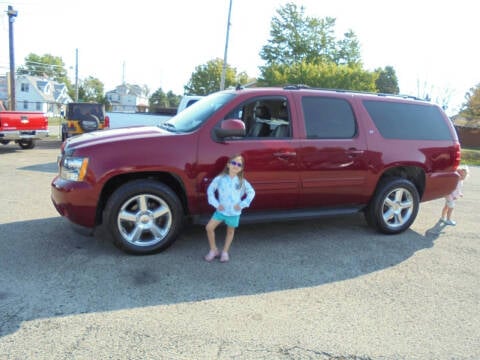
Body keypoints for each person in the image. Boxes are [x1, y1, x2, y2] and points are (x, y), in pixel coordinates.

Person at [204, 154, 255, 262]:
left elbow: (251, 192)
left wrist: (242, 204)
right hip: (221, 211)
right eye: (234, 163)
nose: (236, 165)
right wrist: (216, 204)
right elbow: (210, 190)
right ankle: (213, 250)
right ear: (228, 164)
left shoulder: (242, 181)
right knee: (209, 228)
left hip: (234, 212)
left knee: (230, 231)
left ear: (241, 168)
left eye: (239, 164)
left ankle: (225, 251)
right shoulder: (220, 179)